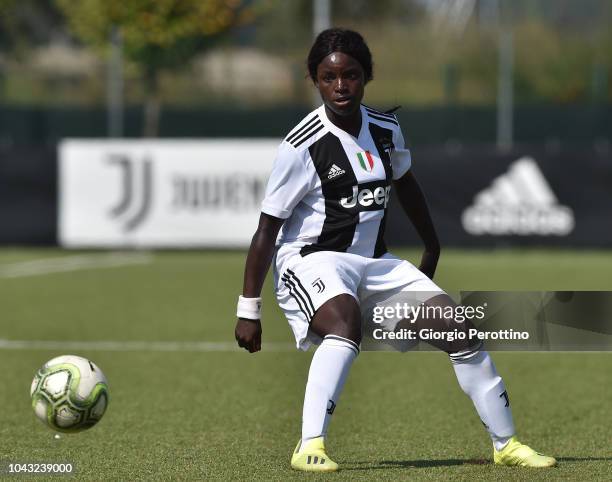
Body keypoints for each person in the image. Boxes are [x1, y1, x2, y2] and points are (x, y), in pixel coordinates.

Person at [234, 28, 556, 473]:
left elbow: (405, 183)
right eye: (329, 77)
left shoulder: (386, 128)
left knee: (459, 330)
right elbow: (267, 229)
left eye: (350, 75)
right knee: (344, 325)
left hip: (375, 261)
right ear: (314, 80)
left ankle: (507, 444)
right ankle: (310, 445)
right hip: (311, 260)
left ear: (367, 76)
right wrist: (248, 309)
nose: (340, 86)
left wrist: (432, 244)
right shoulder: (302, 144)